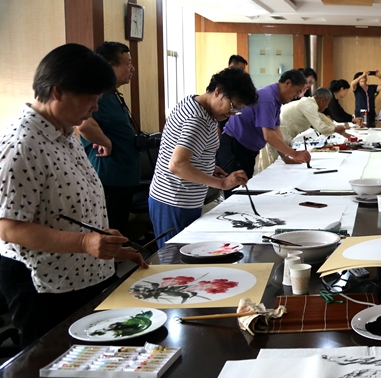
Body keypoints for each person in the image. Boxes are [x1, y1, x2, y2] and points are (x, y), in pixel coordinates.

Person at [0, 44, 147, 344]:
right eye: (90, 99)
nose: (95, 108)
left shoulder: (64, 131)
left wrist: (106, 245)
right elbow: (9, 227)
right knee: (57, 364)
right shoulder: (22, 144)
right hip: (47, 285)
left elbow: (66, 207)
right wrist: (83, 242)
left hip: (83, 273)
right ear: (58, 92)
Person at [148, 69, 259, 248]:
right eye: (232, 107)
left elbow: (184, 152)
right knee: (174, 259)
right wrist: (222, 184)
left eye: (237, 110)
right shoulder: (198, 119)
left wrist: (208, 166)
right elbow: (177, 165)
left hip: (181, 198)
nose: (232, 113)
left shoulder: (197, 104)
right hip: (175, 200)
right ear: (218, 91)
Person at [76, 41, 140, 237]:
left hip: (123, 176)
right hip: (109, 177)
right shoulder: (98, 94)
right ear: (109, 66)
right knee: (109, 232)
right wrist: (106, 142)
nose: (132, 69)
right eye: (127, 63)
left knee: (119, 230)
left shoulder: (113, 95)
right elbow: (83, 123)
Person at [217, 69, 311, 191]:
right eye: (298, 91)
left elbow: (276, 131)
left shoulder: (276, 99)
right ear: (288, 83)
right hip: (235, 148)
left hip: (246, 150)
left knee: (244, 189)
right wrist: (295, 154)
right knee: (236, 192)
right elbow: (269, 136)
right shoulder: (268, 98)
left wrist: (286, 157)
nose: (298, 96)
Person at [261, 87, 347, 168]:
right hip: (277, 137)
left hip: (283, 136)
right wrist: (336, 129)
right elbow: (321, 128)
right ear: (322, 100)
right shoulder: (309, 105)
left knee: (283, 165)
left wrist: (338, 129)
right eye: (327, 104)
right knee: (274, 167)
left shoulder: (310, 104)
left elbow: (322, 118)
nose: (326, 107)